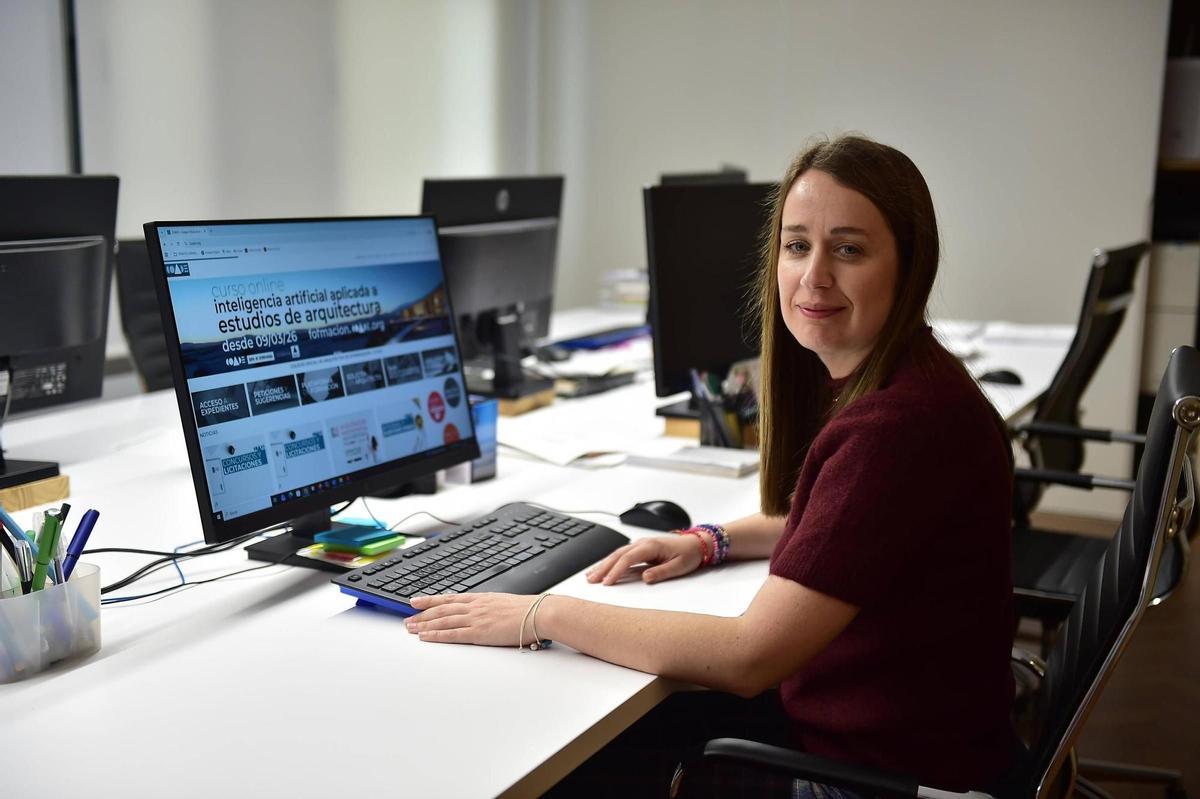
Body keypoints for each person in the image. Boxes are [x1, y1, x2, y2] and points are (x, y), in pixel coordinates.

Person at [405, 134, 1017, 796]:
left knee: (576, 766)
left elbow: (749, 655)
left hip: (878, 781)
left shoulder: (897, 428)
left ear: (909, 266)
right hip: (895, 747)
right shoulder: (910, 384)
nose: (813, 275)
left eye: (848, 249)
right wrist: (712, 539)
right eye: (796, 245)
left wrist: (542, 614)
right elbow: (843, 531)